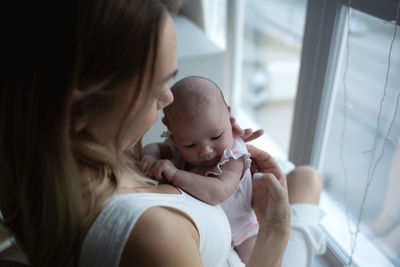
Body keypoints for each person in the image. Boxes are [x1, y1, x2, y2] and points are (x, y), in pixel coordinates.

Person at [0, 1, 325, 267]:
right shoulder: (154, 235)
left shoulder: (65, 164)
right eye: (156, 87)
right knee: (307, 178)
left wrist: (207, 138)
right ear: (80, 110)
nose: (168, 99)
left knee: (302, 176)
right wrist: (275, 232)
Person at [140, 76, 258, 263]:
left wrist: (175, 174)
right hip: (209, 233)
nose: (205, 150)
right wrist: (150, 158)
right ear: (171, 128)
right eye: (190, 145)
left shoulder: (233, 155)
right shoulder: (177, 142)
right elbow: (153, 147)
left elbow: (217, 192)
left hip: (243, 230)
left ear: (229, 116)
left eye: (216, 136)